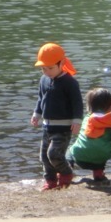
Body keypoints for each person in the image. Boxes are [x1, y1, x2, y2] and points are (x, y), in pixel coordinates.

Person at [30, 42, 83, 191]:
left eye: (50, 68)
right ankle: (51, 181)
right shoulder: (44, 80)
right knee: (44, 157)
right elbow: (41, 98)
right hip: (47, 125)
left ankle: (66, 173)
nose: (46, 72)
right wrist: (37, 113)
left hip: (63, 127)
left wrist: (77, 121)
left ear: (62, 63)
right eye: (43, 68)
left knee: (54, 154)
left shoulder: (70, 83)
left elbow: (77, 103)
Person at [67, 88, 111, 182]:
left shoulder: (87, 118)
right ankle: (98, 173)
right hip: (101, 157)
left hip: (80, 156)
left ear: (90, 105)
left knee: (69, 152)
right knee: (103, 147)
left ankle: (67, 171)